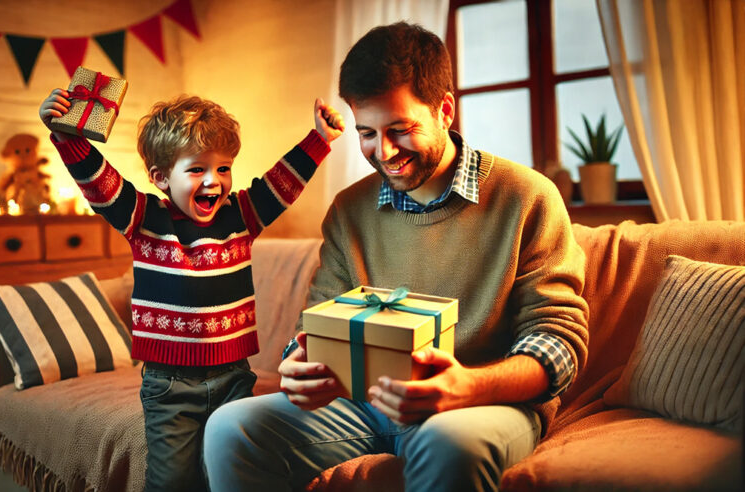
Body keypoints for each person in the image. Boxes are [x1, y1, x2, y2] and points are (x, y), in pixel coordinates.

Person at [203, 22, 589, 491]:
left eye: (399, 130)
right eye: (366, 133)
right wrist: (300, 364)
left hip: (481, 402)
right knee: (230, 428)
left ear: (444, 110)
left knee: (450, 442)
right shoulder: (349, 210)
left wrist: (467, 385)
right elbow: (318, 322)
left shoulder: (527, 197)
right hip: (361, 403)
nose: (383, 152)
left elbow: (559, 344)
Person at [39, 91, 344, 491]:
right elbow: (101, 184)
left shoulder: (241, 214)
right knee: (171, 482)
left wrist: (319, 138)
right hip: (170, 384)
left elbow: (281, 183)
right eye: (197, 169)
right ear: (161, 177)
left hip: (233, 375)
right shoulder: (144, 218)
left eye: (223, 168)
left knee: (233, 470)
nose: (214, 181)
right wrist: (65, 135)